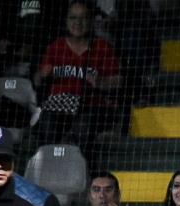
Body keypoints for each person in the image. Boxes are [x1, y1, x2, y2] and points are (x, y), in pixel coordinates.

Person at [33, 0, 122, 151]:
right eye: (73, 17)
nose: (78, 23)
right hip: (60, 104)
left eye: (83, 17)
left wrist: (101, 82)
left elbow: (119, 81)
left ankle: (73, 159)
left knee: (83, 126)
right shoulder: (56, 46)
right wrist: (41, 75)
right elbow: (37, 82)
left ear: (91, 20)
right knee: (46, 123)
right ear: (66, 21)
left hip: (92, 105)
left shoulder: (102, 46)